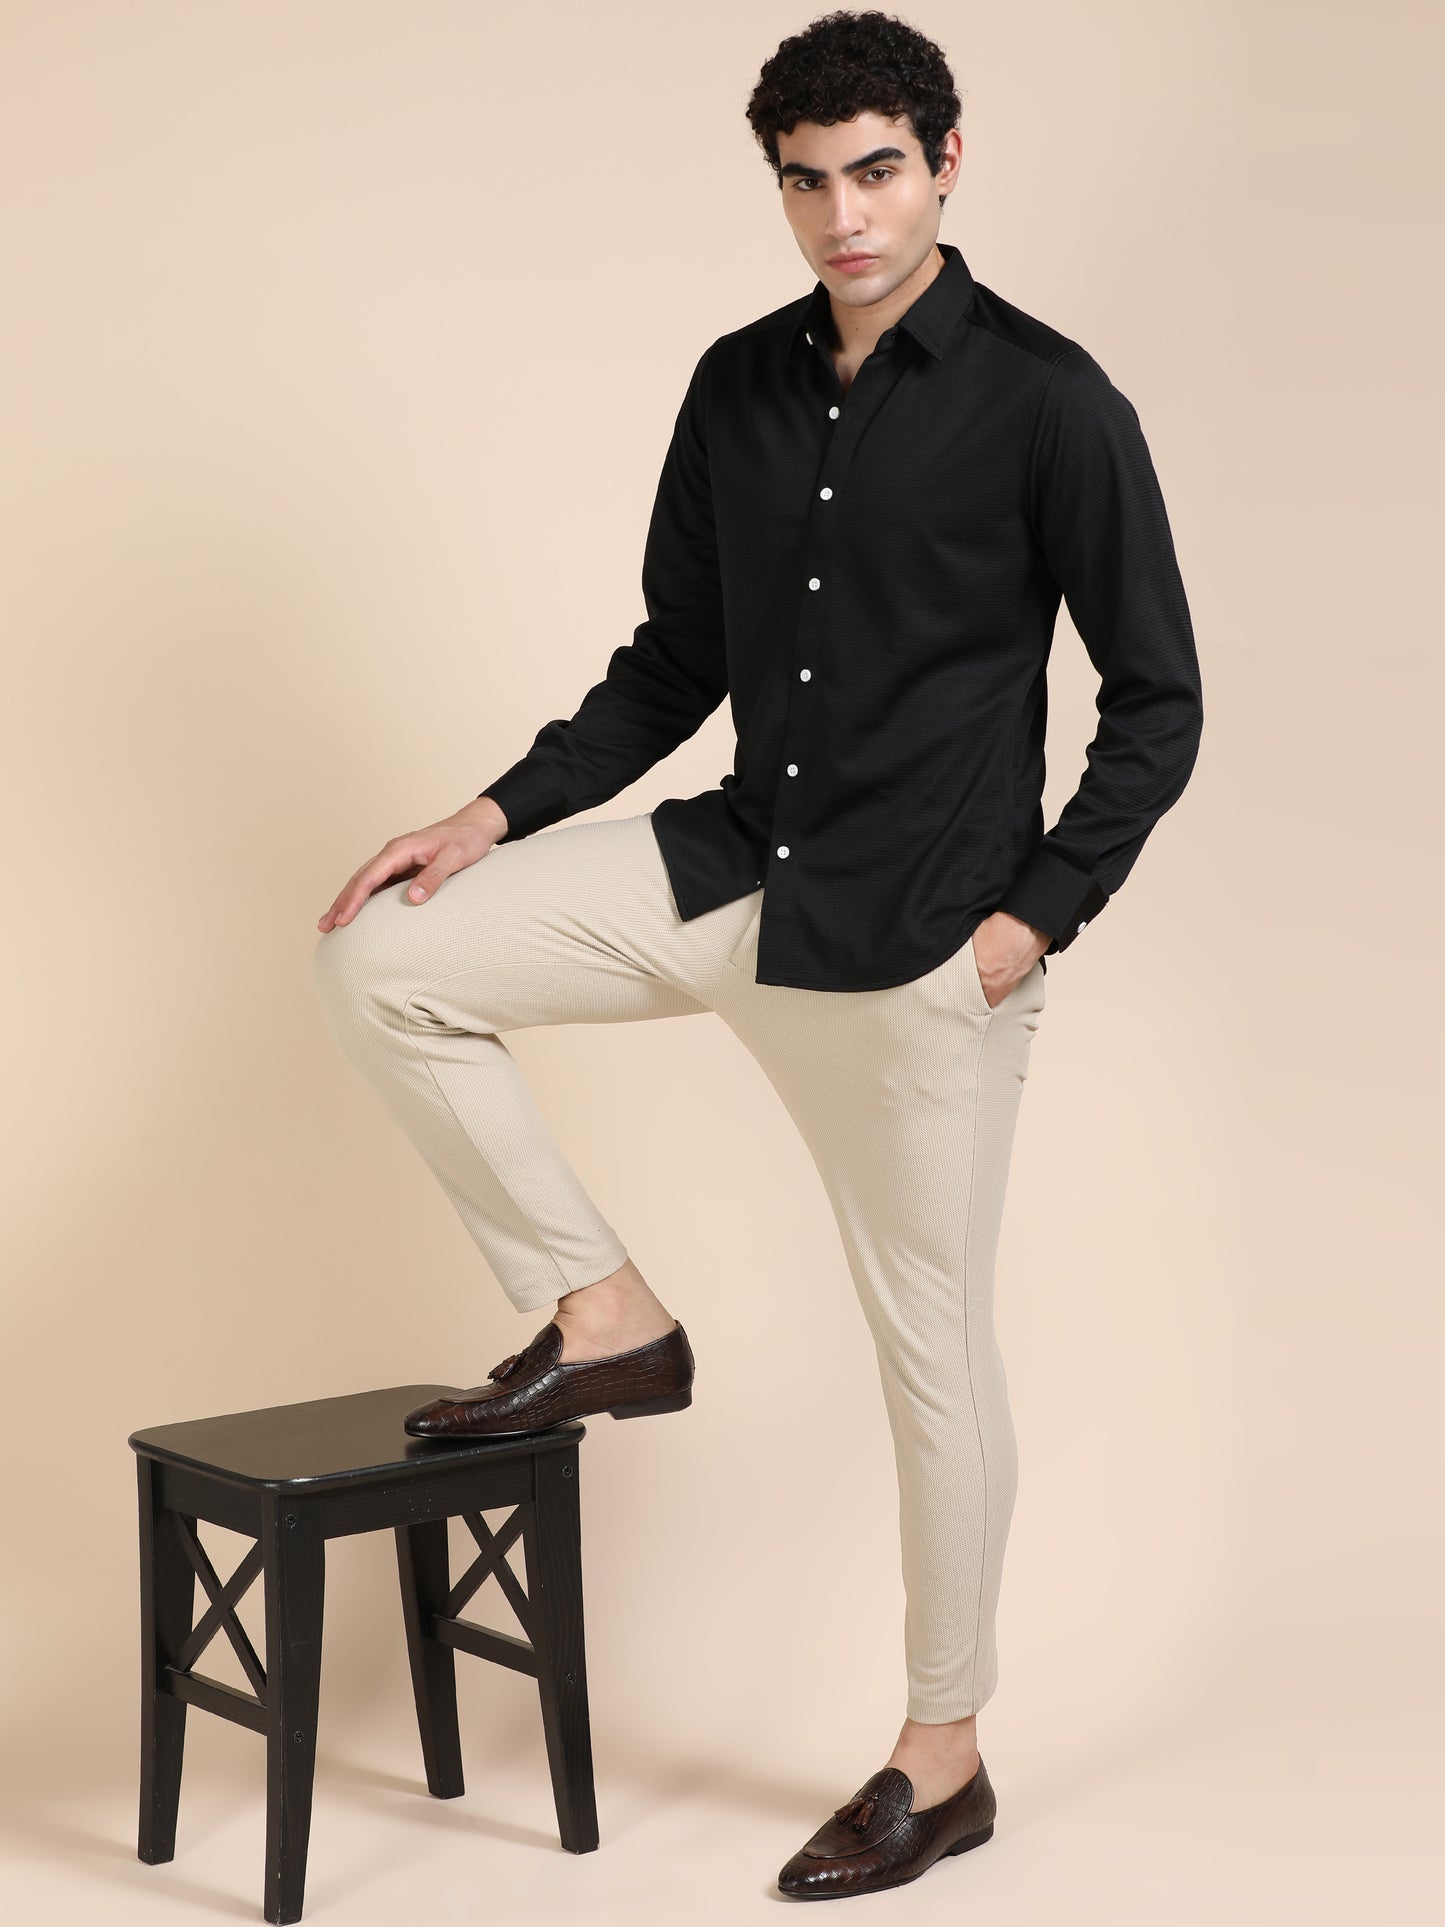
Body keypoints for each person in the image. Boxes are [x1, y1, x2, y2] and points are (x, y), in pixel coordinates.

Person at [312, 8, 1202, 1902]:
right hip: (733, 867)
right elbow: (672, 661)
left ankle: (941, 1757)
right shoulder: (736, 382)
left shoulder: (1052, 401)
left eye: (874, 172)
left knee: (928, 1357)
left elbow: (1158, 702)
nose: (840, 217)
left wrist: (1029, 918)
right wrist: (485, 818)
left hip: (917, 939)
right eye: (805, 182)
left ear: (944, 163)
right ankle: (608, 1318)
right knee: (386, 960)